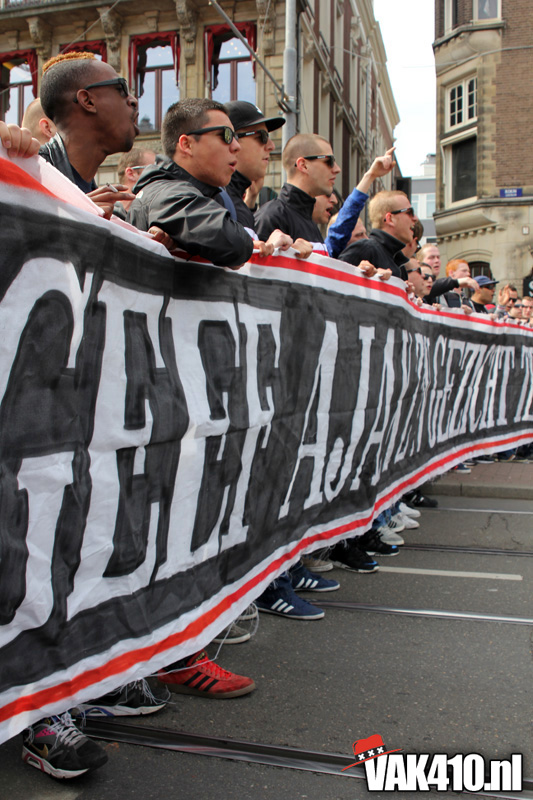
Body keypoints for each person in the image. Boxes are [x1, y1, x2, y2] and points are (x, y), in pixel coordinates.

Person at [128, 98, 255, 268]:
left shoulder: (204, 195)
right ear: (186, 144)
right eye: (226, 136)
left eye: (236, 137)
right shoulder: (166, 195)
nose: (236, 146)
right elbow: (236, 244)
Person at [254, 132, 341, 243]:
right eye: (329, 161)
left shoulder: (309, 221)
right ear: (303, 165)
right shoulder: (271, 217)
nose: (337, 169)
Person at [339, 190, 419, 279]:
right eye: (409, 212)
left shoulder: (399, 263)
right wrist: (369, 274)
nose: (415, 218)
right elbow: (334, 279)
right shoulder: (366, 249)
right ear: (390, 219)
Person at [114, 146, 157, 217]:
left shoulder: (154, 213)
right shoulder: (107, 214)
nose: (161, 175)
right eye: (154, 170)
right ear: (131, 174)